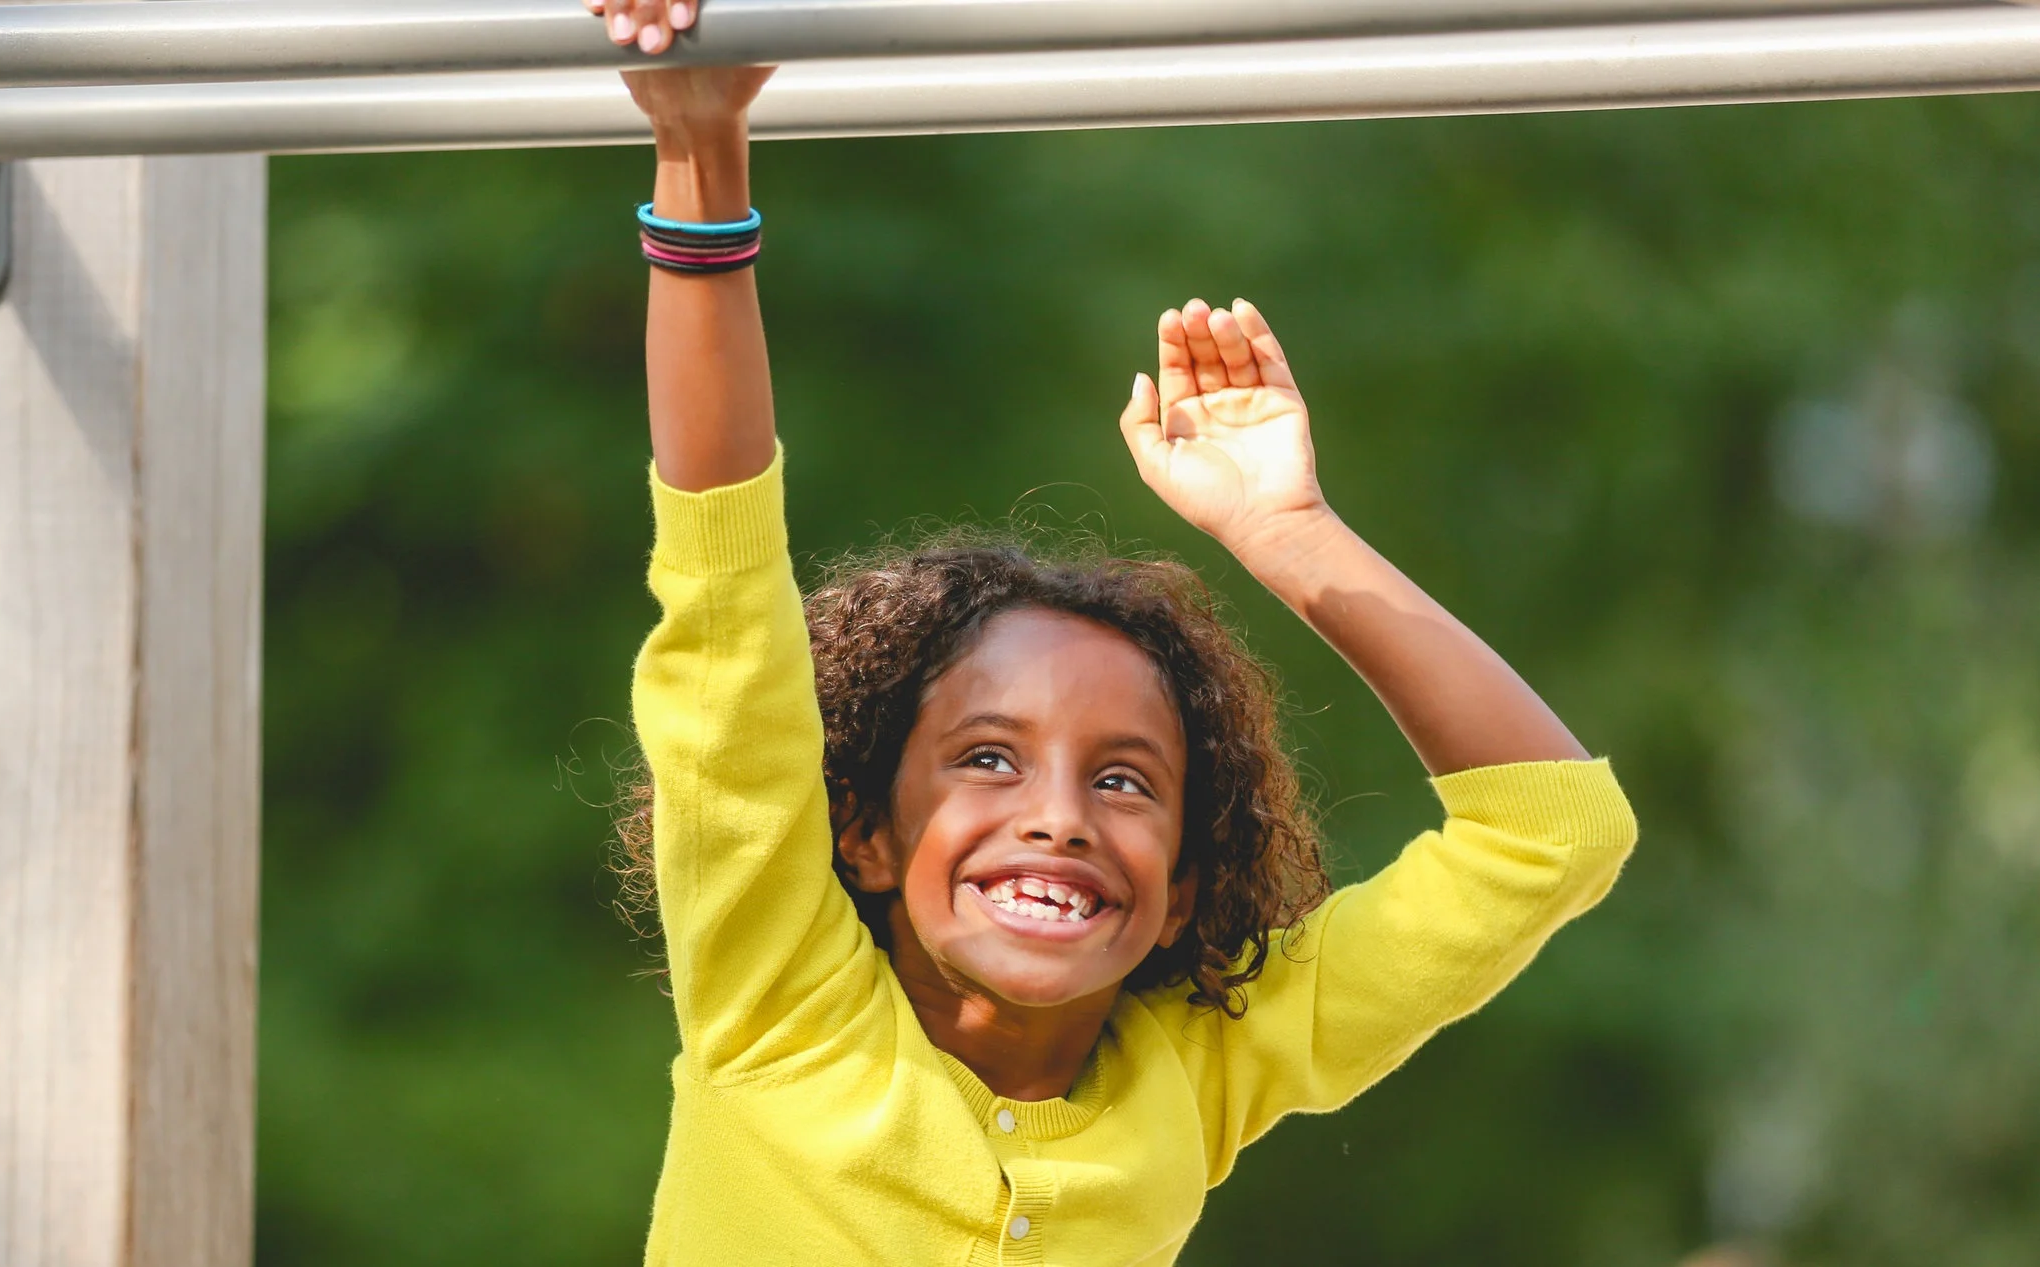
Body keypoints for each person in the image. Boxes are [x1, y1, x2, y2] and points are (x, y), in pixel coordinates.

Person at [593, 18, 1639, 1262]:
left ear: (1184, 887)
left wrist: (1291, 532)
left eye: (1124, 780)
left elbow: (1552, 831)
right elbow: (723, 594)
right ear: (864, 836)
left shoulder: (1198, 1070)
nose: (1059, 816)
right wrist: (701, 146)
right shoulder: (777, 993)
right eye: (987, 757)